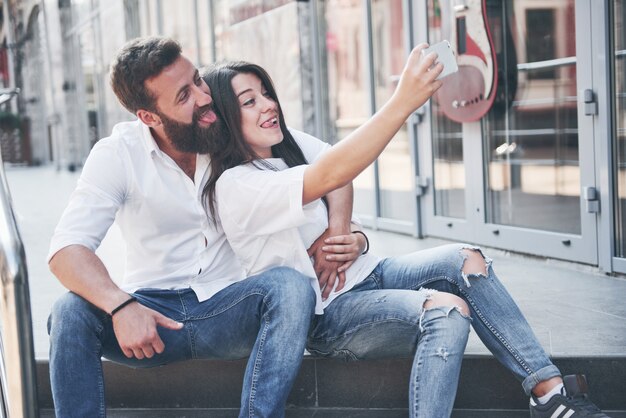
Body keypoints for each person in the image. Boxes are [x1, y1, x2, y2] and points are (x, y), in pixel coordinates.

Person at [200, 57, 612, 418]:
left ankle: (551, 395)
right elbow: (333, 171)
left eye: (266, 93)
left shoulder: (286, 147)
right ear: (222, 117)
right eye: (249, 101)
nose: (269, 105)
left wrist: (346, 233)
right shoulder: (236, 184)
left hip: (372, 274)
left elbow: (341, 167)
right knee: (446, 311)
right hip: (330, 314)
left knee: (467, 259)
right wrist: (403, 101)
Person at [46, 36, 361, 418]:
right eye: (184, 95)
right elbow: (66, 250)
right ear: (149, 117)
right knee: (69, 311)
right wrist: (122, 305)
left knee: (290, 287)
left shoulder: (226, 125)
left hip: (229, 306)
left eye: (197, 80)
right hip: (153, 315)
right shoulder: (118, 154)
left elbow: (335, 165)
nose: (203, 97)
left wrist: (339, 231)